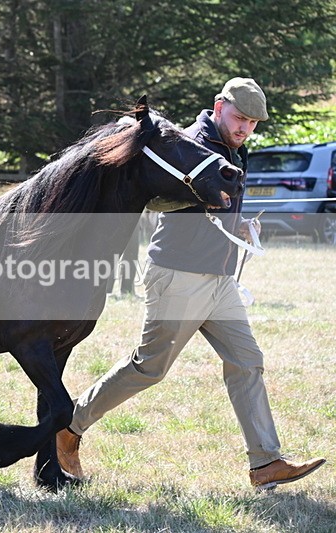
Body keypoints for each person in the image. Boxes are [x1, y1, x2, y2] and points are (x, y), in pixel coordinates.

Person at [56, 78, 326, 490]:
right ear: (219, 106)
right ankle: (69, 428)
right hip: (179, 276)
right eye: (240, 118)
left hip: (220, 281)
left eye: (253, 122)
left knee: (246, 361)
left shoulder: (235, 147)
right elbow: (158, 198)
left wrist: (240, 230)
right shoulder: (191, 143)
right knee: (148, 369)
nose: (245, 128)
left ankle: (265, 463)